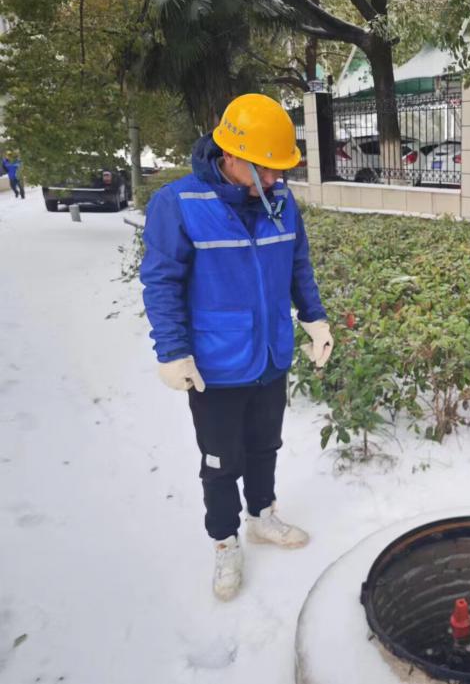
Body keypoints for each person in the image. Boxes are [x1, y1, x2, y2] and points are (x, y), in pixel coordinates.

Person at [139, 94, 334, 601]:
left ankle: (262, 516)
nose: (274, 178)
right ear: (230, 155)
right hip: (215, 366)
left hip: (270, 355)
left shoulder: (282, 202)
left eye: (278, 169)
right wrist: (172, 351)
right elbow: (162, 282)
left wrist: (314, 318)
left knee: (265, 445)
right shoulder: (179, 204)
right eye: (264, 168)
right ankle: (225, 541)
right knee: (221, 461)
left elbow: (298, 266)